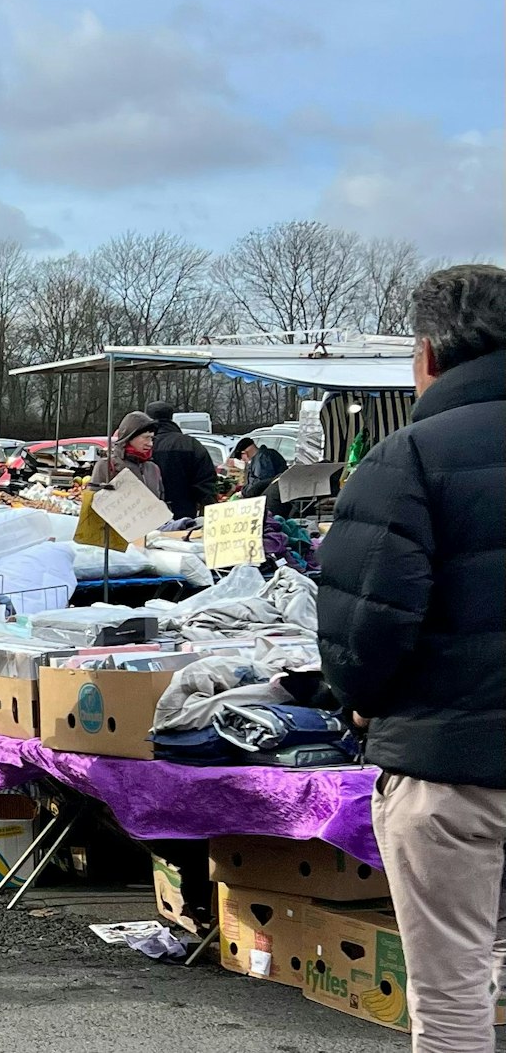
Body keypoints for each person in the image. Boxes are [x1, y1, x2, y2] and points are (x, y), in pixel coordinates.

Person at [319, 264, 505, 1053]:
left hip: (448, 764)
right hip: (453, 752)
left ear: (425, 353)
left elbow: (363, 628)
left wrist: (358, 701)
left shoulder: (408, 457)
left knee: (453, 995)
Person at [142, 401, 217, 520]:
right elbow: (206, 484)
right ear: (171, 417)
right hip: (184, 517)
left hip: (145, 517)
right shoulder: (191, 444)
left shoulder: (141, 445)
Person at [89, 411, 165, 500]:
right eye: (146, 437)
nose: (150, 444)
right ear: (129, 437)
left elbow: (161, 499)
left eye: (152, 438)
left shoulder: (153, 468)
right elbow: (94, 501)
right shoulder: (106, 466)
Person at [231, 437, 290, 513]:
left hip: (271, 502)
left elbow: (261, 484)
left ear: (244, 453)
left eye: (241, 458)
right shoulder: (266, 455)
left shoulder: (262, 459)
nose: (243, 461)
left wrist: (244, 492)